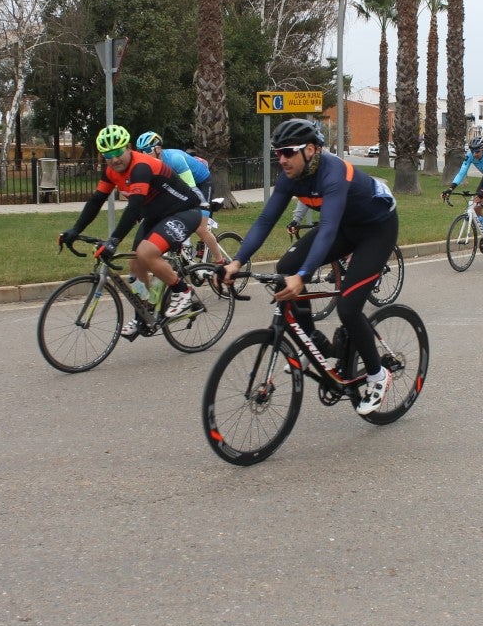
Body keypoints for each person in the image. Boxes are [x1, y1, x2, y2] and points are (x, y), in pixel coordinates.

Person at [221, 118, 398, 416]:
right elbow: (265, 221)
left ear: (312, 150)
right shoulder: (290, 177)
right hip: (344, 226)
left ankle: (378, 375)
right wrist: (236, 261)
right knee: (285, 266)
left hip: (376, 230)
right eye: (277, 152)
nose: (282, 159)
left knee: (348, 306)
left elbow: (326, 229)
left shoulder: (334, 174)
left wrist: (303, 277)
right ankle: (314, 343)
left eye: (288, 151)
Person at [59, 125, 202, 339]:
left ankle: (183, 291)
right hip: (155, 215)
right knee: (135, 266)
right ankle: (144, 311)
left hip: (184, 210)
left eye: (118, 152)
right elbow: (96, 200)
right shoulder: (111, 171)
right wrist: (74, 230)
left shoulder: (140, 167)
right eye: (108, 155)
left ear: (128, 148)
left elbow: (134, 208)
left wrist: (113, 242)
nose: (114, 159)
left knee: (146, 253)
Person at [134, 131, 222, 262]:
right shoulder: (150, 165)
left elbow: (191, 190)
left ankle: (221, 261)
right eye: (140, 151)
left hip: (202, 184)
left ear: (158, 149)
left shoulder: (174, 159)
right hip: (184, 185)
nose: (143, 155)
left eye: (147, 150)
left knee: (200, 228)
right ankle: (185, 250)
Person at [442, 135, 483, 251]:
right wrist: (451, 188)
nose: (474, 154)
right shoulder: (470, 156)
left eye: (477, 151)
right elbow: (461, 172)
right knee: (475, 204)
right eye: (472, 151)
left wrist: (482, 191)